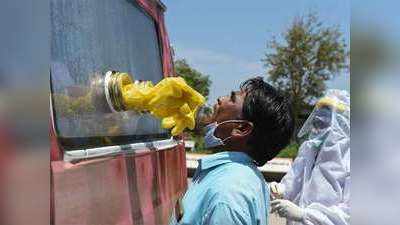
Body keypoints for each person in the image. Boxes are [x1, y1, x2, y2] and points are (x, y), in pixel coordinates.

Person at [170, 77, 295, 225]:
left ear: (241, 128)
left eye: (232, 98)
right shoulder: (242, 177)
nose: (220, 99)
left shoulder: (227, 193)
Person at [269, 90, 350, 225]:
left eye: (325, 118)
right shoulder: (309, 149)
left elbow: (350, 214)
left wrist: (306, 215)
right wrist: (280, 189)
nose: (318, 122)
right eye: (317, 117)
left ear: (341, 123)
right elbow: (293, 182)